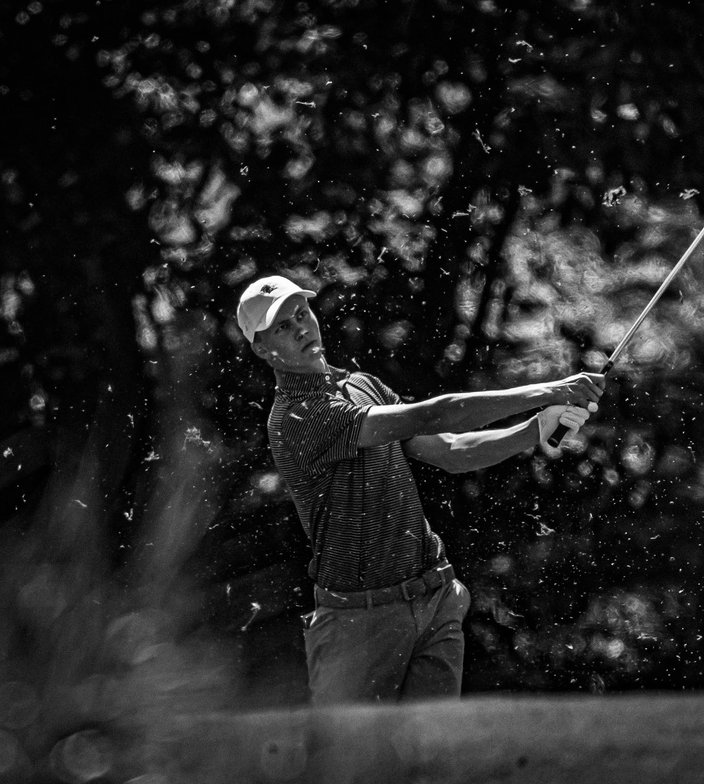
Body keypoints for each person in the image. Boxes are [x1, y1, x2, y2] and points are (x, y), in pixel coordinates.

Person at [236, 274, 604, 705]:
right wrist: (550, 389)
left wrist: (533, 429)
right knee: (354, 768)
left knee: (431, 759)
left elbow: (450, 450)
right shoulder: (299, 417)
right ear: (262, 349)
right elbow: (433, 416)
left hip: (435, 600)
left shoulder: (361, 386)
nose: (301, 327)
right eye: (282, 326)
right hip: (359, 621)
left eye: (302, 313)